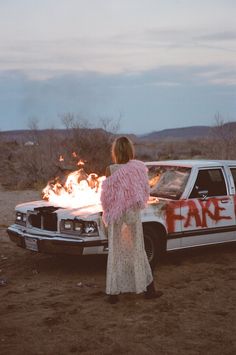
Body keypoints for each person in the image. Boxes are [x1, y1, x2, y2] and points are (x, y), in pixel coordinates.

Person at [101, 136, 163, 304]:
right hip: (132, 213)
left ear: (115, 151)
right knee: (137, 249)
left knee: (115, 251)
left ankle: (113, 293)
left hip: (117, 214)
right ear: (129, 150)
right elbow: (144, 191)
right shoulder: (138, 168)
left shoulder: (110, 170)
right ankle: (149, 289)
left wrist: (107, 212)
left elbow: (107, 196)